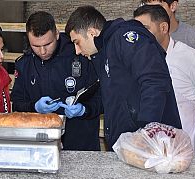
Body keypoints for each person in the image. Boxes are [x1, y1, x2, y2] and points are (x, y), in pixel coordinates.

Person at [65, 5, 182, 151]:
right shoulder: (103, 53)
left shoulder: (126, 38)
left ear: (92, 32)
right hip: (126, 146)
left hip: (153, 143)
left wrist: (145, 132)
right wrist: (85, 109)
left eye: (77, 42)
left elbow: (154, 81)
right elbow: (112, 98)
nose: (77, 50)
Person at [133, 5, 195, 154]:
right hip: (149, 144)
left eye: (145, 28)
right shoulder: (138, 58)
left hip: (182, 146)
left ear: (163, 28)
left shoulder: (191, 57)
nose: (140, 35)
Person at [11, 11, 102, 151]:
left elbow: (103, 98)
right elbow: (17, 104)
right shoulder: (25, 64)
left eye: (48, 44)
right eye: (35, 46)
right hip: (39, 145)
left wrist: (85, 110)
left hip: (81, 145)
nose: (42, 51)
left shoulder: (82, 53)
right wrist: (35, 107)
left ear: (57, 34)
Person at [141, 0, 195, 78]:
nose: (151, 13)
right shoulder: (139, 36)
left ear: (173, 6)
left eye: (157, 8)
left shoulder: (194, 38)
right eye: (146, 7)